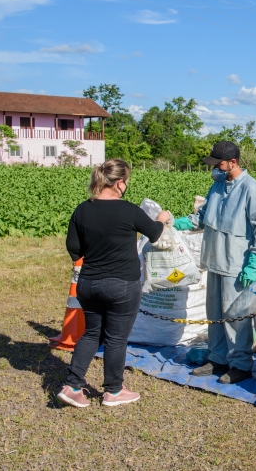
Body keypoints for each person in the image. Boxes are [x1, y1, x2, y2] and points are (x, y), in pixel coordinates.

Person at [58, 159, 172, 408]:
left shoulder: (82, 209)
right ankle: (113, 390)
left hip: (88, 283)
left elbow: (74, 249)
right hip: (122, 284)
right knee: (116, 339)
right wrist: (162, 219)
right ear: (120, 183)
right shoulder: (129, 210)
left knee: (91, 333)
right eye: (127, 182)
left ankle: (73, 385)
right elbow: (154, 233)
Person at [173, 140, 256, 384]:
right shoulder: (217, 186)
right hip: (214, 260)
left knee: (235, 317)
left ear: (233, 162)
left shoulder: (250, 188)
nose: (215, 168)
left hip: (237, 266)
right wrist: (176, 224)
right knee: (215, 314)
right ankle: (218, 358)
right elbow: (203, 217)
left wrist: (253, 263)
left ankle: (239, 364)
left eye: (219, 164)